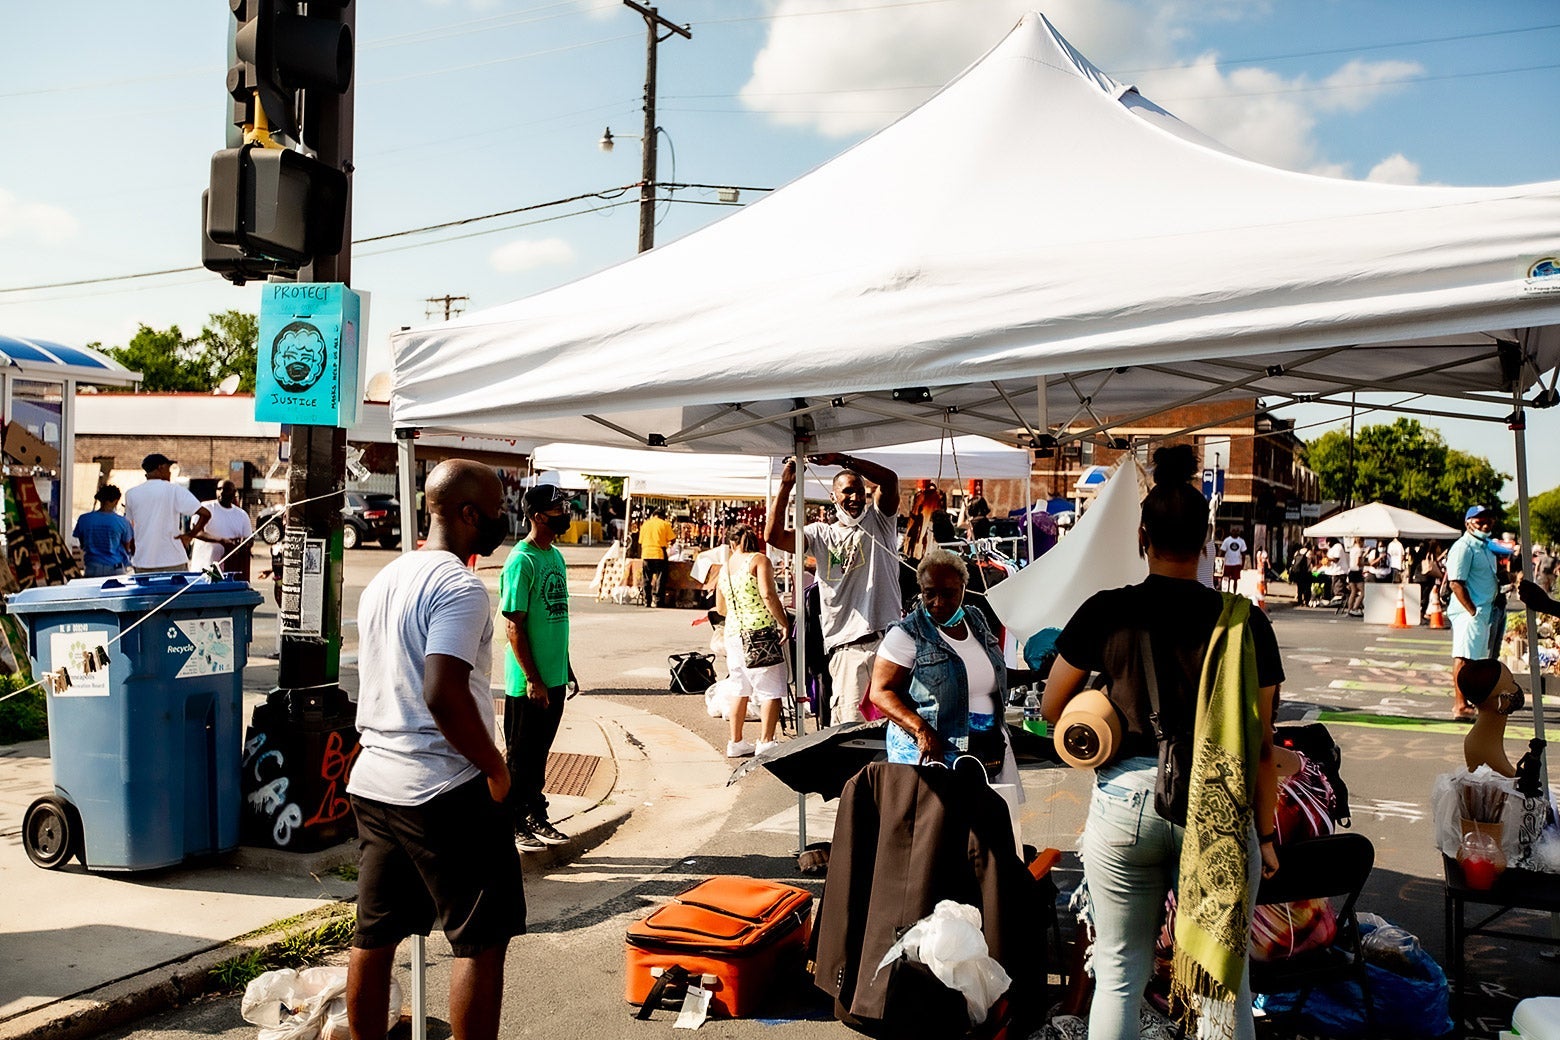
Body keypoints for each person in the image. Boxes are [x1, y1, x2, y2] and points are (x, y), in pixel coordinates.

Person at [1042, 445, 1281, 1040]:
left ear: (1143, 536)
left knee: (1120, 970)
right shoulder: (1245, 621)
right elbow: (1261, 743)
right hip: (1219, 805)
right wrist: (1269, 834)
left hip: (1125, 800)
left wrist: (1104, 696)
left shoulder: (1106, 612)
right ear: (1206, 541)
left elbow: (1051, 709)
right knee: (1223, 979)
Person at [345, 459, 522, 1040]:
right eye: (497, 510)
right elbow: (442, 693)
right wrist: (496, 769)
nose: (503, 520)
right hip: (441, 785)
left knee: (374, 934)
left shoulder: (387, 579)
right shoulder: (459, 586)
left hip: (375, 781)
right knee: (480, 939)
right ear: (469, 514)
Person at [765, 452, 901, 726]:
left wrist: (842, 459)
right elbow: (774, 537)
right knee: (852, 731)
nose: (855, 498)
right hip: (847, 650)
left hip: (887, 644)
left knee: (894, 730)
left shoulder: (879, 521)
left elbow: (889, 479)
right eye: (847, 492)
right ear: (833, 497)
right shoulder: (820, 534)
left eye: (860, 492)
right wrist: (786, 486)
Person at [869, 547, 1017, 784]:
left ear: (963, 589)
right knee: (932, 820)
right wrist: (922, 731)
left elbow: (988, 675)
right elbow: (880, 692)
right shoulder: (906, 634)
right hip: (932, 755)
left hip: (984, 752)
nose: (938, 602)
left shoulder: (975, 620)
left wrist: (1040, 672)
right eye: (930, 593)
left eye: (948, 594)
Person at [500, 484, 574, 852]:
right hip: (528, 683)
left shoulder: (555, 557)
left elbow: (556, 619)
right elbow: (514, 624)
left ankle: (534, 812)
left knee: (541, 752)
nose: (565, 513)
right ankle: (512, 821)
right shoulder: (522, 560)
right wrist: (533, 678)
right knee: (520, 755)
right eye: (559, 509)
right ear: (537, 516)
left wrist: (566, 668)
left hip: (554, 677)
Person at [714, 524, 789, 758]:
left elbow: (720, 607)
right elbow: (768, 594)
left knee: (740, 688)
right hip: (759, 632)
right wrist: (783, 621)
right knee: (770, 689)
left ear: (731, 544)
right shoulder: (759, 560)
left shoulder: (724, 568)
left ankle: (735, 742)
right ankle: (766, 741)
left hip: (733, 632)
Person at [1447, 505, 1501, 720]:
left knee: (1475, 659)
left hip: (1484, 610)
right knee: (1463, 658)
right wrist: (1472, 610)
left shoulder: (1485, 547)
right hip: (1470, 612)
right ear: (1468, 523)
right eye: (1479, 521)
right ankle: (1459, 705)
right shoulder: (1464, 547)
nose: (1485, 524)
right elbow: (1456, 583)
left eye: (1488, 520)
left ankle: (1468, 701)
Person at [123, 453, 211, 572]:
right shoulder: (174, 490)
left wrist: (136, 551)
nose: (170, 473)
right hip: (173, 560)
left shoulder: (131, 494)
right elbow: (205, 514)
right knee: (176, 591)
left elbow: (130, 526)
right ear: (161, 467)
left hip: (143, 562)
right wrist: (189, 536)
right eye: (169, 468)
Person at [1454, 659, 1524, 778]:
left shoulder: (1483, 739)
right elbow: (1508, 775)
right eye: (1512, 682)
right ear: (1501, 698)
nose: (1516, 688)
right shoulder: (1482, 746)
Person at [189, 480, 254, 579]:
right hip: (203, 571)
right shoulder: (206, 508)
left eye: (227, 489)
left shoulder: (242, 515)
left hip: (229, 574)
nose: (222, 492)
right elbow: (196, 532)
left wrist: (243, 544)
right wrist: (222, 541)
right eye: (219, 489)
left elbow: (249, 540)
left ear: (234, 492)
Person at [73, 485, 135, 578]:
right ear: (116, 501)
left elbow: (82, 543)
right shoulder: (122, 522)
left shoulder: (84, 519)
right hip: (115, 567)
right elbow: (127, 546)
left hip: (92, 567)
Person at [637, 507, 676, 607]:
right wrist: (668, 543)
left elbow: (640, 541)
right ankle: (659, 601)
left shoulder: (645, 525)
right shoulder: (665, 524)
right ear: (663, 516)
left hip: (646, 553)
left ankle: (647, 601)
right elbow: (672, 539)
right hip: (659, 553)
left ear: (653, 515)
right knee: (660, 579)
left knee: (646, 579)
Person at [1416, 540, 1446, 625]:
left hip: (1422, 577)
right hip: (1427, 577)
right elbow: (1434, 563)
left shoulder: (1422, 553)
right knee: (1425, 597)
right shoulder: (1430, 554)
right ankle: (1421, 615)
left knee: (1423, 597)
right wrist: (1442, 555)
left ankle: (1421, 615)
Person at [1219, 526, 1247, 593]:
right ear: (1231, 532)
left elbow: (1243, 554)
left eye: (1237, 531)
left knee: (1235, 580)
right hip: (1227, 563)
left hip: (1237, 564)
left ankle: (1234, 593)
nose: (1236, 532)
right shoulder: (1227, 540)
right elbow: (1222, 552)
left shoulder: (1241, 541)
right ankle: (1226, 592)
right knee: (1226, 579)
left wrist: (1242, 564)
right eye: (1234, 530)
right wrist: (1220, 564)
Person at [1344, 537, 1365, 615]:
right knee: (1363, 592)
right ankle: (1355, 607)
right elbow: (1358, 563)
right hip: (1357, 572)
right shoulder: (1359, 550)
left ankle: (1349, 609)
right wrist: (1366, 564)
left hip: (1351, 571)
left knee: (1353, 591)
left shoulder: (1352, 549)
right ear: (1361, 541)